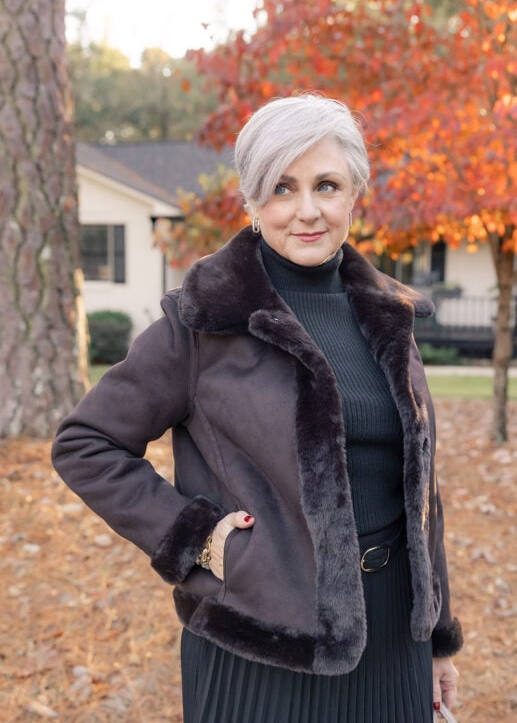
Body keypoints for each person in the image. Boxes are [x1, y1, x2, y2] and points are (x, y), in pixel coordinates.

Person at [52, 94, 462, 723]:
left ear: (354, 191)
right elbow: (86, 444)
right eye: (281, 187)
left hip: (393, 641)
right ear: (250, 201)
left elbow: (420, 492)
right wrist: (199, 539)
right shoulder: (204, 320)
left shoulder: (389, 317)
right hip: (261, 638)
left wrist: (438, 639)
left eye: (326, 185)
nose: (306, 210)